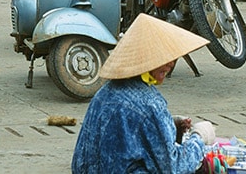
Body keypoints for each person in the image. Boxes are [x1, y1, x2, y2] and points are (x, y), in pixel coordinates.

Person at [71, 14, 215, 174]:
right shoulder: (150, 105)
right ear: (145, 60)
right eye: (163, 58)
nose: (170, 64)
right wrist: (199, 138)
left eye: (172, 58)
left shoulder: (104, 93)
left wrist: (169, 126)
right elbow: (173, 168)